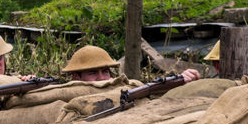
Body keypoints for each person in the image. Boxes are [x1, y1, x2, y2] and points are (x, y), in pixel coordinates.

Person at [62, 45, 201, 82]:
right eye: (92, 73)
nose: (101, 78)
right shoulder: (65, 99)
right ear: (76, 76)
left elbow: (147, 89)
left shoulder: (121, 86)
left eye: (105, 71)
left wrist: (179, 78)